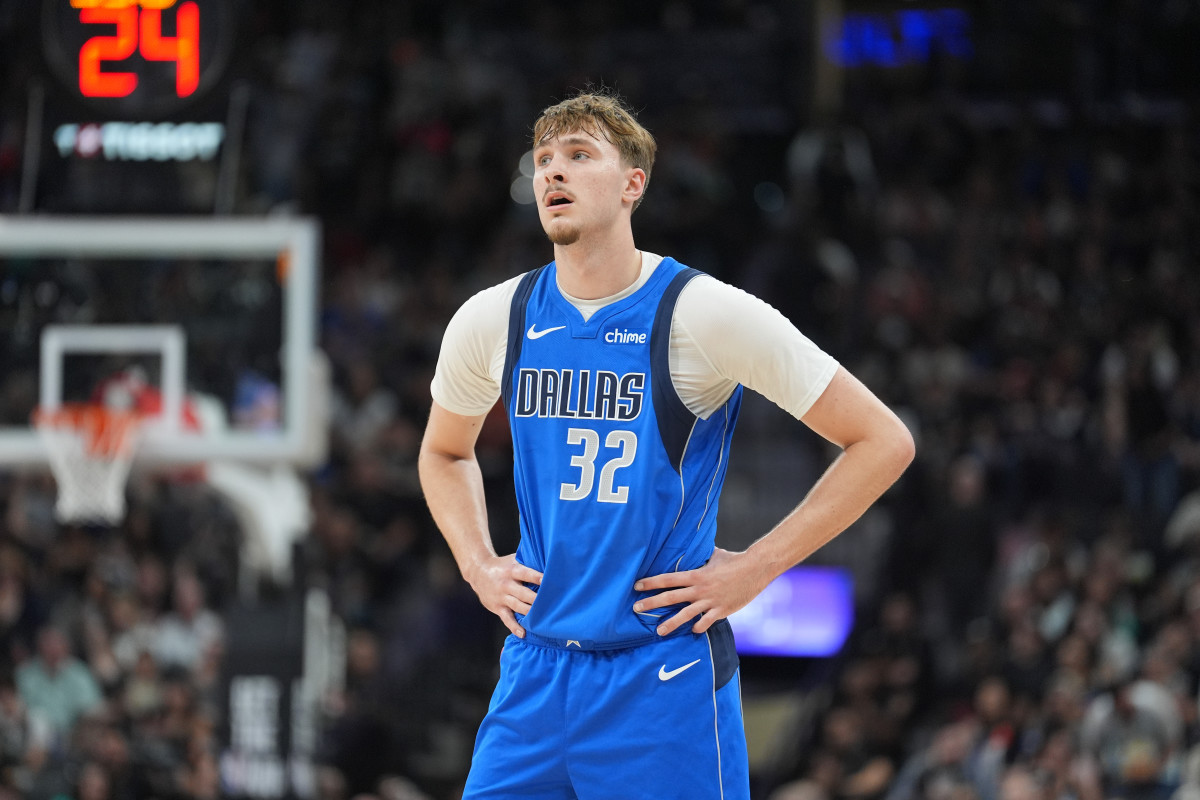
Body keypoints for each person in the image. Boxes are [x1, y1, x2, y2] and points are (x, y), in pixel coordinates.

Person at [418, 90, 914, 800]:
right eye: (544, 158)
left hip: (661, 677)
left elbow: (883, 440)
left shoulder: (703, 312)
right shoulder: (494, 316)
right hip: (535, 670)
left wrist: (758, 567)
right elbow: (444, 451)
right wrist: (476, 563)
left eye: (579, 155)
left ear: (633, 184)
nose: (553, 171)